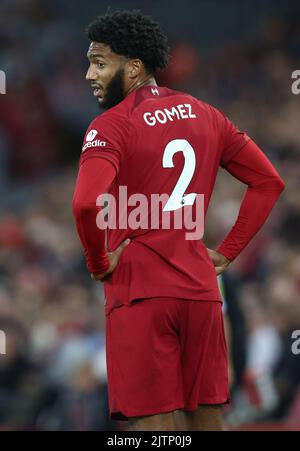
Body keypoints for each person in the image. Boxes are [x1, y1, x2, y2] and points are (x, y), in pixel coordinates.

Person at [73, 10, 285, 431]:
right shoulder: (207, 114)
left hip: (140, 294)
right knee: (207, 423)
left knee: (153, 432)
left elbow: (84, 205)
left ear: (133, 67)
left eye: (99, 62)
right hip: (201, 292)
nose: (89, 75)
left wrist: (98, 263)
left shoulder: (110, 126)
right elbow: (269, 182)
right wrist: (227, 253)